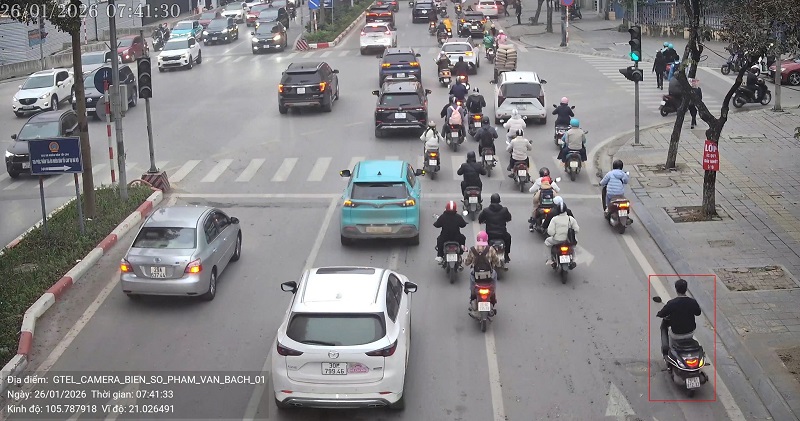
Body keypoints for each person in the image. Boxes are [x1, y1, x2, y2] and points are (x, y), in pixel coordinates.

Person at [656, 279, 702, 356]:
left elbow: (662, 313)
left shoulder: (672, 303)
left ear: (676, 289)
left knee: (664, 328)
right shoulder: (692, 302)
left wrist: (659, 314)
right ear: (686, 289)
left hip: (676, 334)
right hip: (690, 332)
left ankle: (667, 353)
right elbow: (698, 313)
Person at [464, 231, 501, 308]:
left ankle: (473, 293)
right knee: (494, 274)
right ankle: (493, 292)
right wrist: (498, 265)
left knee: (471, 275)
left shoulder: (472, 249)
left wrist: (465, 261)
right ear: (486, 239)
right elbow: (497, 262)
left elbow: (467, 262)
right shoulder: (490, 249)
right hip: (489, 275)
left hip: (476, 275)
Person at [544, 199, 579, 265]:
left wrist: (555, 234)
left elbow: (550, 232)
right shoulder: (570, 218)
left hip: (557, 240)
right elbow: (577, 229)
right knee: (573, 246)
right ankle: (574, 259)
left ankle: (550, 260)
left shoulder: (554, 219)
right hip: (568, 240)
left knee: (547, 242)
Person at [478, 193, 512, 262]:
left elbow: (480, 219)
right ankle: (506, 254)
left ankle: (485, 256)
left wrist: (483, 221)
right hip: (502, 234)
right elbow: (509, 218)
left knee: (484, 243)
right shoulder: (504, 210)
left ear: (491, 201)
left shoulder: (486, 211)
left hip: (490, 235)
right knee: (508, 238)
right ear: (499, 201)